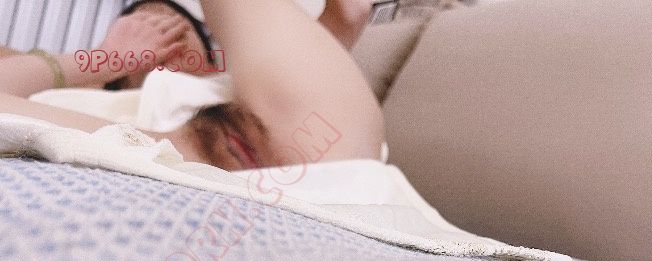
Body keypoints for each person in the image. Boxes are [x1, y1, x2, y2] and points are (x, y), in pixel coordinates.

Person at [0, 0, 383, 170]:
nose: (162, 52)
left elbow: (346, 20)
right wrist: (106, 59)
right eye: (146, 52)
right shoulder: (93, 104)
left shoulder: (239, 88)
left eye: (177, 37)